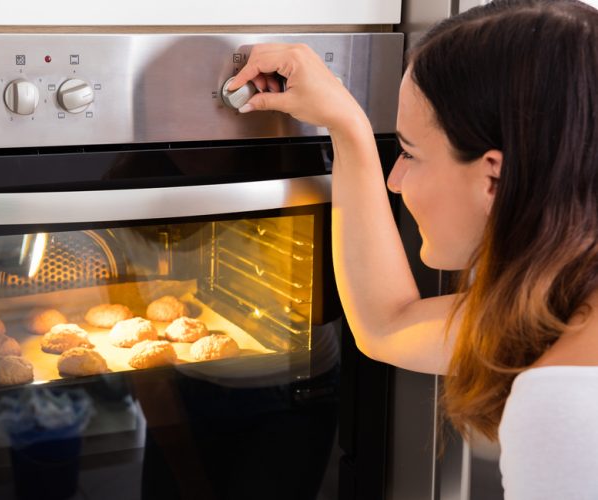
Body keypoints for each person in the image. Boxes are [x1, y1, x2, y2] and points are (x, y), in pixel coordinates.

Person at [226, 0, 598, 498]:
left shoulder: (566, 408)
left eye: (409, 153)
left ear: (495, 178)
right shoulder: (566, 304)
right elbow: (387, 325)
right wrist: (347, 126)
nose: (396, 181)